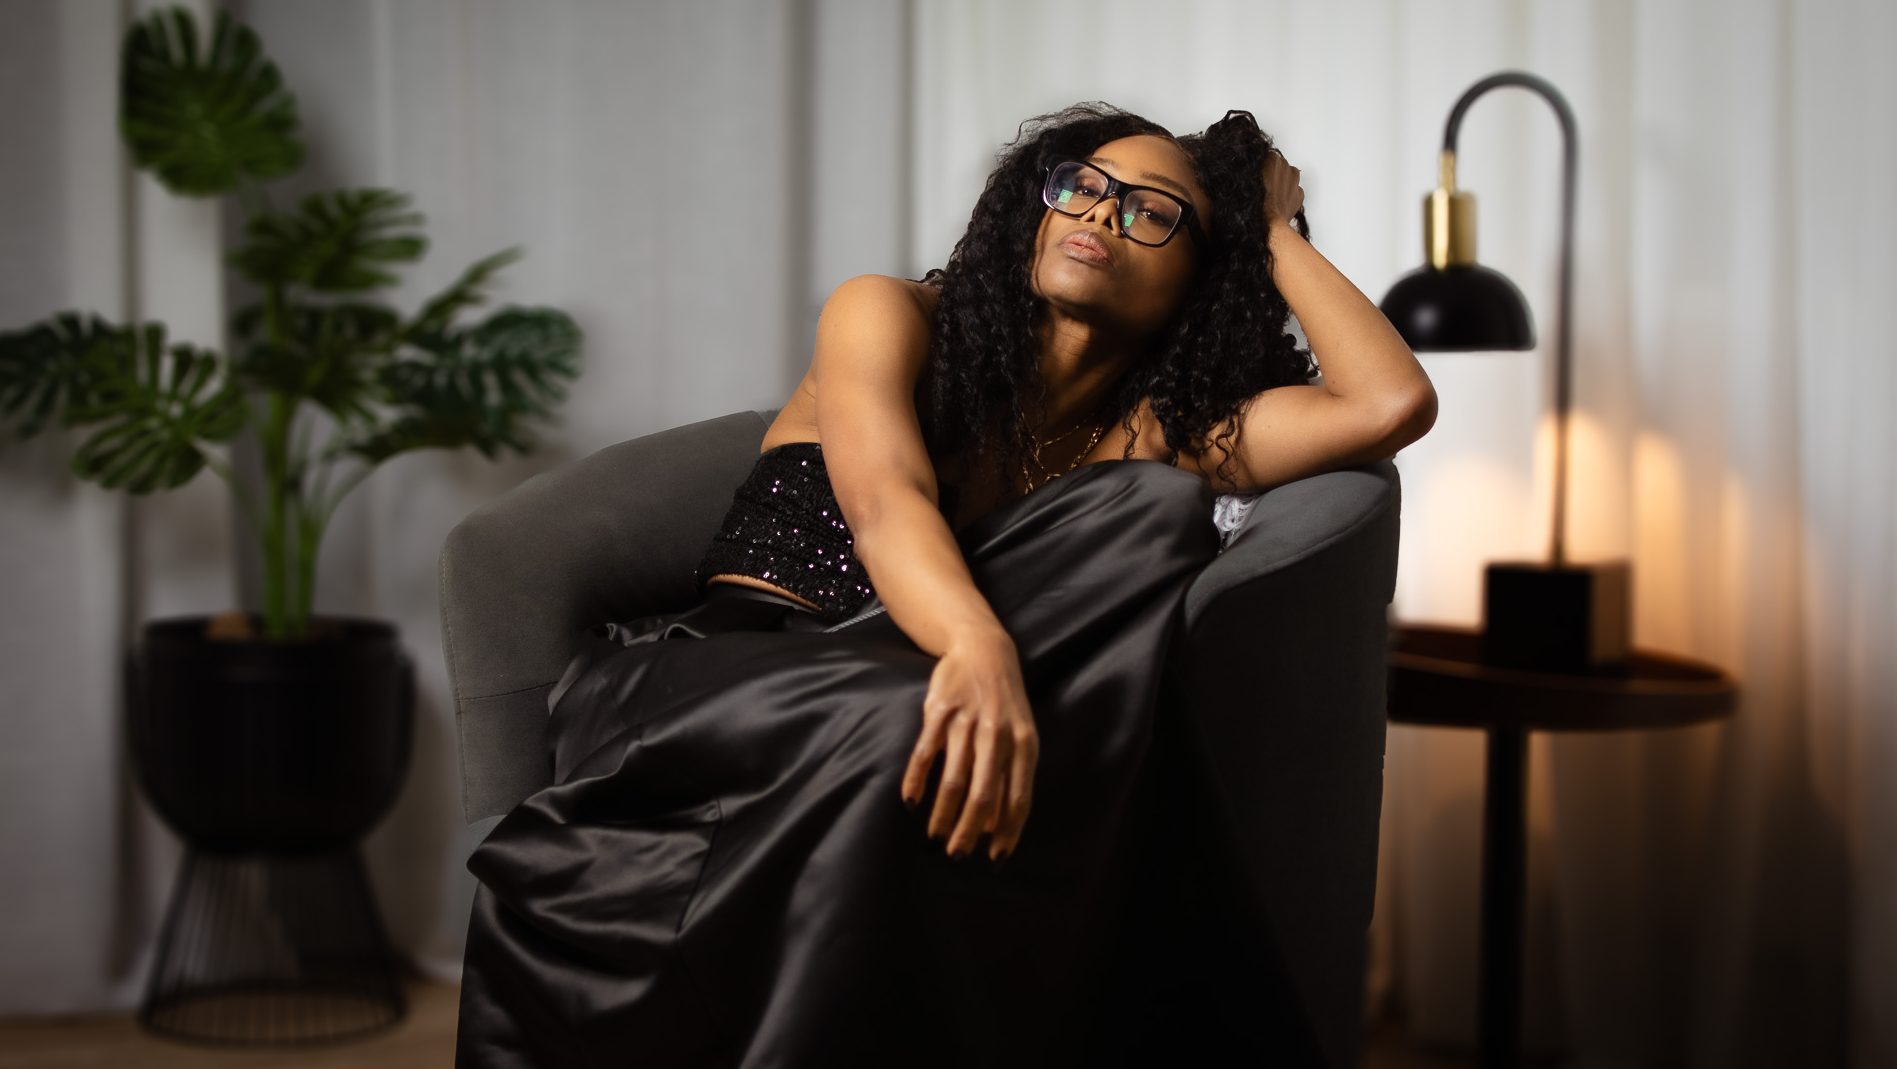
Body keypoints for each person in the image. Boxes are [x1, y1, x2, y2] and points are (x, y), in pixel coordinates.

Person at [456, 104, 1436, 1068]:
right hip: (710, 684)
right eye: (1081, 188)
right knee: (905, 712)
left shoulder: (1156, 432)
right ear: (1036, 209)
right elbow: (884, 501)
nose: (1099, 214)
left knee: (1149, 507)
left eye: (1151, 211)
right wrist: (976, 647)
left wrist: (1264, 225)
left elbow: (1387, 402)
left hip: (916, 703)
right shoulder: (887, 313)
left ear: (1201, 275)